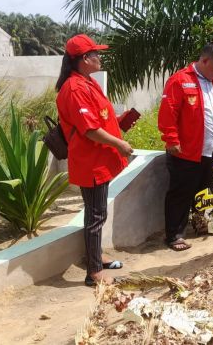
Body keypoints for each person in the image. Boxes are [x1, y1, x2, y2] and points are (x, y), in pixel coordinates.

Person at [55, 34, 133, 286]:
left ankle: (96, 256)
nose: (100, 58)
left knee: (97, 213)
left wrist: (120, 123)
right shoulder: (74, 89)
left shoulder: (87, 83)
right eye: (95, 54)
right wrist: (119, 143)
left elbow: (98, 119)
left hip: (100, 159)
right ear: (84, 59)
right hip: (92, 163)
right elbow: (89, 130)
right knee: (95, 216)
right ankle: (94, 273)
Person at [158, 42, 213, 251]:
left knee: (205, 191)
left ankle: (200, 225)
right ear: (204, 60)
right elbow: (168, 113)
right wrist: (171, 140)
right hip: (186, 151)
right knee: (181, 193)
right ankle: (174, 235)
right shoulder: (180, 80)